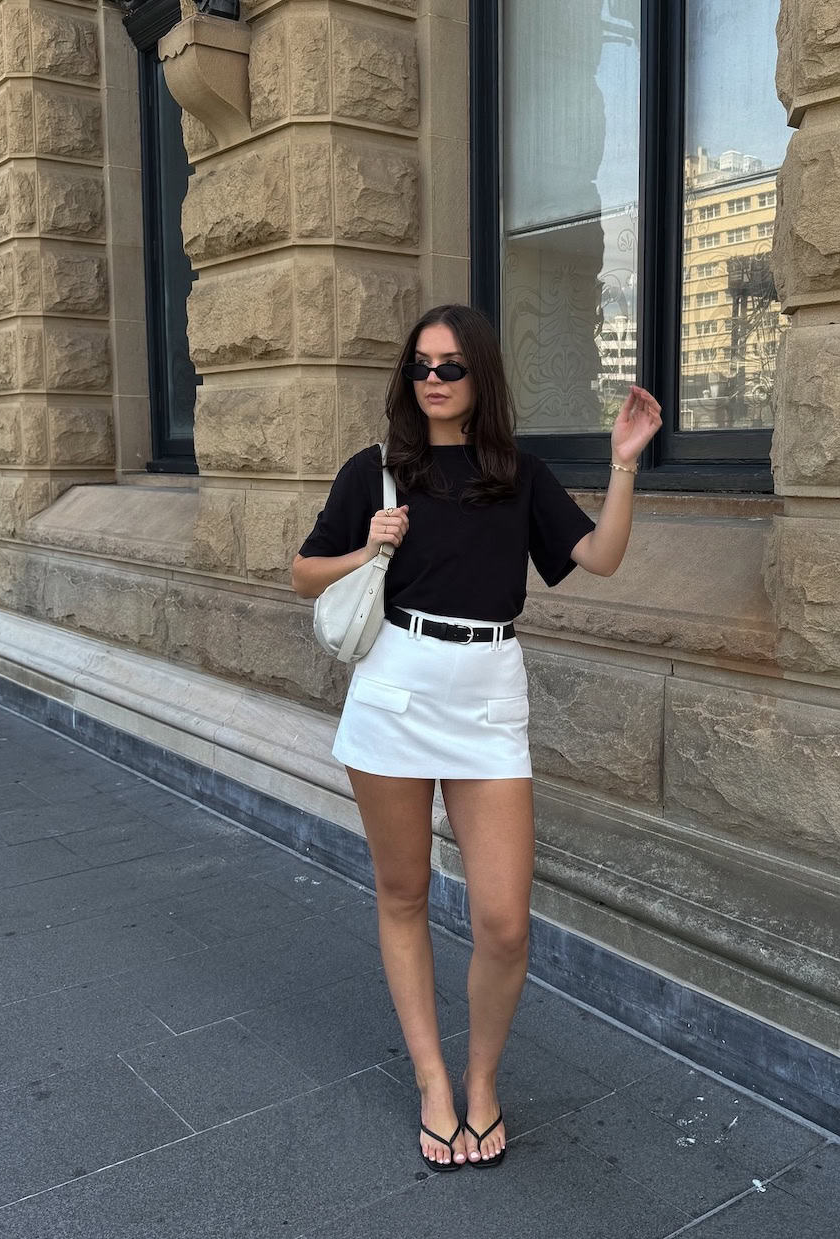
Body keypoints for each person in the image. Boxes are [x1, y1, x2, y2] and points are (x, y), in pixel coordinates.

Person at [291, 304, 662, 1171]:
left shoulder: (518, 474)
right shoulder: (374, 471)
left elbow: (598, 558)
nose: (433, 380)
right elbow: (305, 568)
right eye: (421, 366)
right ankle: (433, 1081)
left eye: (452, 367)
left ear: (480, 377)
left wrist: (621, 466)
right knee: (405, 893)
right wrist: (364, 548)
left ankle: (484, 1081)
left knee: (502, 921)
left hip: (490, 694)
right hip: (396, 690)